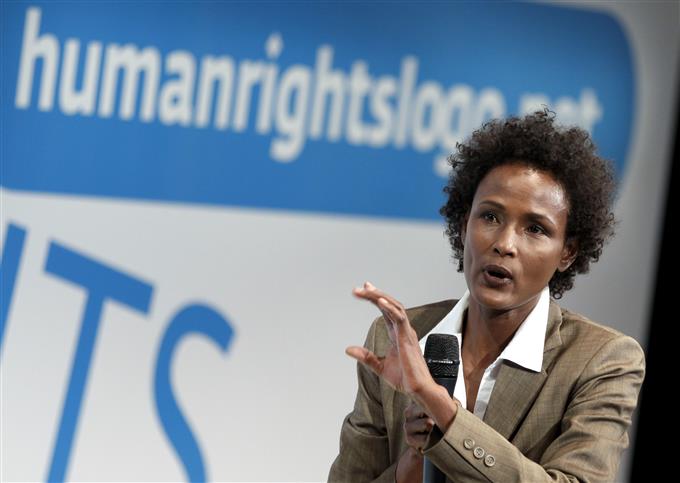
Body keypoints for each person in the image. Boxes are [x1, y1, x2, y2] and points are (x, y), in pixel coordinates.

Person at [328, 110, 646, 483]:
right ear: (465, 225)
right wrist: (413, 462)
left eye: (535, 228)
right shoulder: (397, 339)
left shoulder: (602, 360)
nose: (504, 244)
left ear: (568, 252)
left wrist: (446, 419)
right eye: (491, 217)